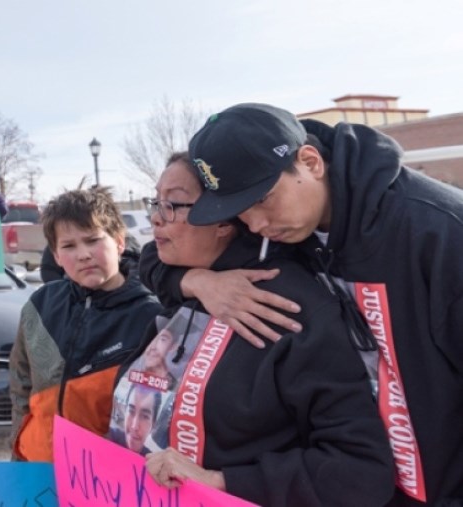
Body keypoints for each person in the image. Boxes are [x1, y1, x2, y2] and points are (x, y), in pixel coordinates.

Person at [184, 102, 463, 506]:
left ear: (310, 162)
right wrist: (197, 281)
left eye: (263, 200)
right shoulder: (283, 230)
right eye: (241, 213)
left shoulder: (438, 233)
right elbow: (161, 254)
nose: (256, 225)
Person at [109, 153, 394, 506]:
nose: (155, 217)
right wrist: (195, 282)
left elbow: (360, 470)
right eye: (156, 202)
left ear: (223, 222)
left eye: (173, 205)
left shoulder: (292, 310)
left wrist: (223, 482)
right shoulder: (186, 285)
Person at [9, 186, 161, 462]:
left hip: (105, 479)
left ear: (118, 241)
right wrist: (18, 450)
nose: (83, 254)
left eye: (92, 240)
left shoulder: (151, 316)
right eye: (69, 246)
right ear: (55, 256)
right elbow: (21, 385)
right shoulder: (39, 304)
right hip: (38, 468)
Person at [105, 384, 160, 455]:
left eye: (145, 416)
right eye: (131, 411)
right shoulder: (108, 436)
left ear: (153, 425)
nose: (134, 426)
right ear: (125, 411)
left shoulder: (151, 462)